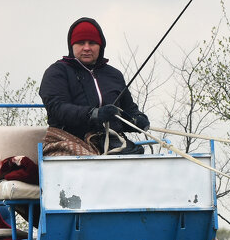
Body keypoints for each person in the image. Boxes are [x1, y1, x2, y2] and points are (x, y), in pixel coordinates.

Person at [38, 16, 149, 154]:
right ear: (71, 46)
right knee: (87, 162)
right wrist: (94, 114)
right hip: (66, 139)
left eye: (92, 43)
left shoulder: (114, 75)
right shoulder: (57, 72)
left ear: (100, 46)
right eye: (80, 43)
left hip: (111, 141)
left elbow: (128, 109)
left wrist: (138, 120)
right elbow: (58, 108)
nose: (86, 48)